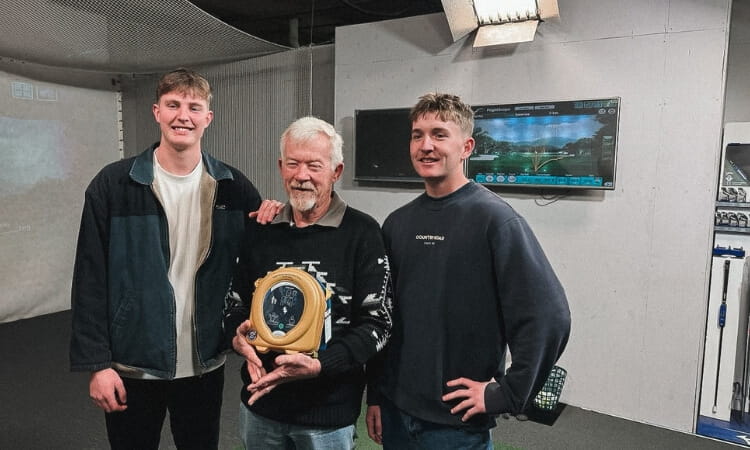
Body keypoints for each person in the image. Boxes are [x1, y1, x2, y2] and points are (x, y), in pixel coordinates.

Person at [69, 68, 262, 450]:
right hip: (132, 365)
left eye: (194, 107)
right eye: (173, 105)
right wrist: (98, 364)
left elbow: (262, 260)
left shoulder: (233, 186)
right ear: (157, 112)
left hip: (204, 363)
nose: (183, 116)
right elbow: (90, 279)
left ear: (208, 118)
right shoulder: (113, 185)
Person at [365, 93, 571, 449]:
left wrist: (506, 393)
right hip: (397, 414)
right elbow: (383, 318)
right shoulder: (397, 224)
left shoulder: (496, 220)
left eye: (439, 134)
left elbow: (548, 316)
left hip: (457, 427)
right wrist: (376, 396)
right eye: (418, 135)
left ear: (467, 146)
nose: (426, 145)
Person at [228, 116, 392, 449]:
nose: (302, 176)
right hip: (261, 407)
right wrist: (240, 339)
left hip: (328, 415)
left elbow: (378, 323)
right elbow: (233, 303)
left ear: (336, 171)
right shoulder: (261, 230)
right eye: (293, 164)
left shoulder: (363, 234)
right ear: (280, 167)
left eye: (314, 166)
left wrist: (320, 366)